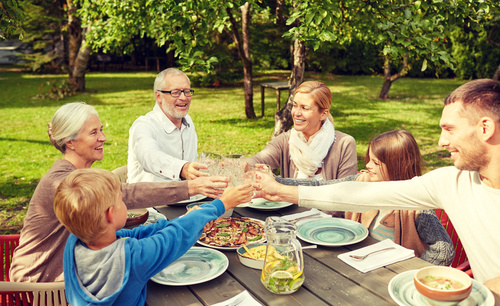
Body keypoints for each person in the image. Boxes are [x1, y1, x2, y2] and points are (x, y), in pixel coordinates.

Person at [254, 79, 500, 289]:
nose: (441, 141)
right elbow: (359, 192)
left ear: (485, 128)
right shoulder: (450, 182)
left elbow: (444, 251)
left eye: (449, 129)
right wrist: (279, 188)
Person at [10, 102, 228, 283]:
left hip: (73, 269)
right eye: (94, 132)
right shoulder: (63, 181)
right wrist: (192, 187)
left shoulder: (79, 174)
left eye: (101, 129)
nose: (103, 137)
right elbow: (126, 193)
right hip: (41, 283)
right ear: (70, 142)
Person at [54, 168, 253, 305]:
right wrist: (220, 205)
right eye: (122, 201)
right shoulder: (133, 259)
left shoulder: (74, 243)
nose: (126, 204)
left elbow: (135, 235)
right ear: (109, 214)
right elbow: (174, 237)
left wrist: (188, 218)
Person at [275, 129, 454, 266]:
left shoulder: (417, 204)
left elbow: (444, 251)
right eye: (369, 158)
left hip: (386, 278)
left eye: (376, 162)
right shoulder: (362, 180)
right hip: (356, 263)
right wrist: (276, 182)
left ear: (397, 166)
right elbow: (319, 186)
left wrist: (410, 274)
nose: (367, 165)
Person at [246, 81, 357, 180]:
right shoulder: (286, 140)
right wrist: (241, 165)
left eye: (305, 108)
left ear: (323, 114)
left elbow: (345, 192)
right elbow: (257, 159)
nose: (296, 113)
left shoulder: (344, 144)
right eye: (295, 106)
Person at [127, 68, 206, 183]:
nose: (183, 97)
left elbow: (192, 162)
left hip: (188, 197)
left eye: (187, 91)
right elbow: (149, 156)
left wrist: (213, 167)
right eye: (175, 92)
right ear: (158, 96)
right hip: (152, 199)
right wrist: (182, 168)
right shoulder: (143, 125)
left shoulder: (187, 121)